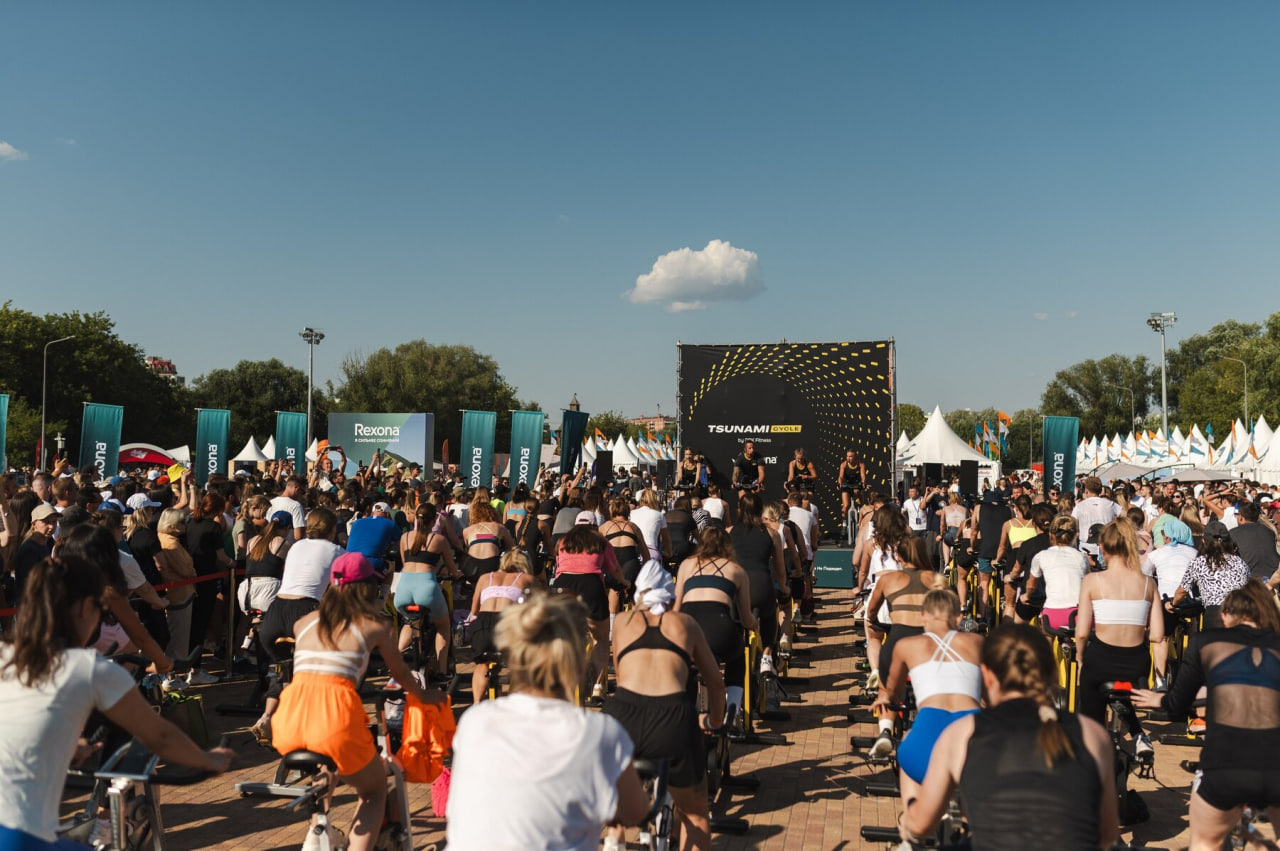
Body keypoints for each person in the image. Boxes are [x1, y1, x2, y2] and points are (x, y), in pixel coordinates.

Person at [0, 556, 231, 850]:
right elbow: (161, 736)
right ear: (85, 607)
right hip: (20, 835)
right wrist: (209, 760)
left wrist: (64, 747)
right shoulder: (88, 668)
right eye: (101, 607)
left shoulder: (5, 655)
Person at [446, 592, 649, 851]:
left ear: (513, 661)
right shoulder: (599, 732)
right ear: (578, 664)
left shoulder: (475, 721)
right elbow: (635, 811)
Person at [272, 552, 443, 851]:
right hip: (335, 717)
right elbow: (401, 674)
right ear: (367, 588)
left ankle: (317, 830)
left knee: (326, 764)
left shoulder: (304, 623)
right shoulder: (374, 626)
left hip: (291, 717)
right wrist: (425, 696)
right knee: (374, 791)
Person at [902, 624, 1118, 851]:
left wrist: (910, 812)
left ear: (987, 676)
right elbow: (1107, 836)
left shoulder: (962, 734)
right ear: (1051, 674)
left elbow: (920, 825)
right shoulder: (1093, 735)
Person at [1132, 580, 1280, 850]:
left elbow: (1177, 704)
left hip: (1226, 765)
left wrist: (1159, 699)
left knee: (1204, 842)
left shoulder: (1208, 642)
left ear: (1226, 615)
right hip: (1275, 764)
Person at [603, 561, 725, 851]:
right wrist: (714, 721)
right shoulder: (685, 624)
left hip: (623, 715)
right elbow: (715, 683)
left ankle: (614, 839)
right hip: (673, 718)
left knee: (614, 810)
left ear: (638, 596)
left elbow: (621, 676)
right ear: (670, 597)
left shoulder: (622, 622)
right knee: (695, 813)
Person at [871, 588, 981, 805]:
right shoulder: (977, 642)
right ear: (959, 618)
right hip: (973, 738)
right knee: (972, 797)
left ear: (923, 617)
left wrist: (886, 698)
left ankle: (911, 820)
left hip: (927, 736)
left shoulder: (907, 646)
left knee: (907, 744)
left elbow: (893, 691)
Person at [1075, 519, 1164, 757]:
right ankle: (1137, 734)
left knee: (1091, 712)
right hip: (1136, 664)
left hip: (1101, 658)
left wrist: (1080, 658)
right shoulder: (1148, 583)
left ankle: (1093, 751)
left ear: (1102, 547)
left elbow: (1082, 632)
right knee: (1122, 692)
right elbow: (1157, 635)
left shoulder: (1092, 581)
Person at [865, 536, 941, 757]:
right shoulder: (937, 579)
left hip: (898, 639)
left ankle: (885, 731)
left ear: (898, 556)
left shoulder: (888, 580)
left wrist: (874, 621)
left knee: (886, 688)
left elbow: (871, 611)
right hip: (928, 643)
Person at [674, 526, 757, 721]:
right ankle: (733, 709)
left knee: (685, 665)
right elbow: (745, 618)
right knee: (737, 657)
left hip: (688, 628)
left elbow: (675, 609)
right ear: (728, 545)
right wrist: (754, 624)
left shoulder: (686, 565)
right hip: (719, 629)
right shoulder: (736, 570)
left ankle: (684, 715)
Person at [554, 524, 629, 702]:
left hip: (563, 584)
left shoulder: (563, 541)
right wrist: (625, 582)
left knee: (560, 633)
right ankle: (597, 687)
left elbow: (559, 566)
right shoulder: (600, 542)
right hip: (591, 585)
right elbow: (615, 569)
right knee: (601, 638)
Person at [395, 502, 460, 675]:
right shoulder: (439, 540)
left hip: (403, 589)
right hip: (427, 588)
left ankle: (396, 663)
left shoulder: (405, 537)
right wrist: (458, 574)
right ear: (434, 521)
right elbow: (452, 568)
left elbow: (405, 563)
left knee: (409, 622)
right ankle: (442, 670)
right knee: (443, 626)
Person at [728, 493, 787, 676]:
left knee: (734, 621)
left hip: (736, 587)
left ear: (739, 509)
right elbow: (780, 570)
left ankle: (733, 654)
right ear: (761, 511)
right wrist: (784, 587)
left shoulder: (729, 532)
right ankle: (767, 655)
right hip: (761, 585)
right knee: (769, 615)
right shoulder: (772, 534)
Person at [468, 549, 536, 704]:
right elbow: (539, 608)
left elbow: (474, 610)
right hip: (507, 623)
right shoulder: (527, 579)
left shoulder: (485, 577)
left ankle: (477, 704)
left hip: (482, 626)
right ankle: (514, 702)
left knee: (482, 664)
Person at [1170, 527, 1251, 628]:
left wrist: (1173, 604)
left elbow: (1182, 592)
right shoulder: (1240, 562)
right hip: (1239, 613)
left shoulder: (1198, 562)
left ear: (1204, 542)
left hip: (1215, 614)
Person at [1023, 514, 1089, 632]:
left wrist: (1026, 596)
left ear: (1051, 534)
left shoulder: (1042, 556)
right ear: (1075, 535)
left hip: (1053, 614)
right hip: (1078, 614)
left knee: (1047, 634)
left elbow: (1031, 586)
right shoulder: (1082, 557)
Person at [629, 488, 672, 564]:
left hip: (634, 551)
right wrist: (669, 553)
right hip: (652, 552)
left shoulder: (631, 513)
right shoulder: (659, 515)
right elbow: (666, 539)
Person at [837, 450, 866, 521]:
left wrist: (863, 483)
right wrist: (839, 483)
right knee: (845, 506)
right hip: (847, 485)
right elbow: (841, 476)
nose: (848, 458)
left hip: (857, 485)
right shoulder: (843, 464)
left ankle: (860, 517)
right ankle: (844, 522)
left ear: (855, 457)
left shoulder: (861, 464)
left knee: (860, 503)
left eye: (851, 456)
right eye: (847, 456)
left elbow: (863, 475)